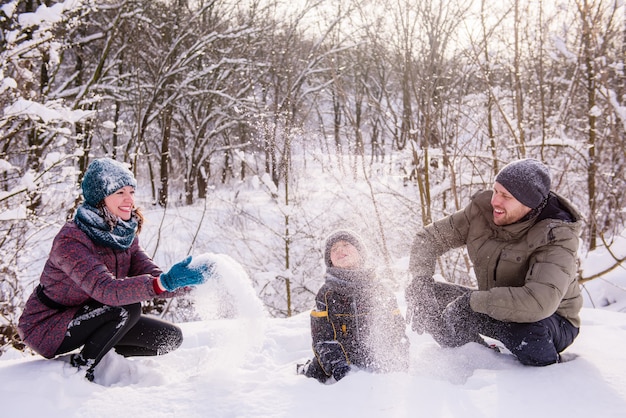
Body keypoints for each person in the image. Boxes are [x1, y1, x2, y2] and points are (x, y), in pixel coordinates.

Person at [18, 157, 214, 382]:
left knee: (169, 338)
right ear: (100, 197)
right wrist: (163, 283)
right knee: (126, 307)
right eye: (120, 192)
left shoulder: (123, 234)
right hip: (48, 326)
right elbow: (106, 290)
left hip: (94, 315)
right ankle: (81, 371)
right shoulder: (71, 240)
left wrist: (186, 282)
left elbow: (151, 273)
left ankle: (101, 355)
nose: (129, 199)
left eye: (131, 191)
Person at [405, 158, 583, 366]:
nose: (495, 201)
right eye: (496, 191)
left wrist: (472, 303)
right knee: (427, 297)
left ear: (529, 204)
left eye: (505, 196)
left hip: (551, 320)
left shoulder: (556, 236)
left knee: (526, 332)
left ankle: (549, 374)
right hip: (494, 305)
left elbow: (537, 302)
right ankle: (477, 357)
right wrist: (420, 281)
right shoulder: (482, 213)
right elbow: (429, 239)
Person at [298, 230, 410, 383]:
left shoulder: (381, 290)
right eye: (334, 249)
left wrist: (397, 362)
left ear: (360, 253)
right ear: (330, 260)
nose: (340, 250)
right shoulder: (326, 295)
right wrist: (341, 369)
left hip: (376, 366)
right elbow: (322, 340)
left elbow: (397, 332)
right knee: (313, 376)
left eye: (346, 244)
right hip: (337, 369)